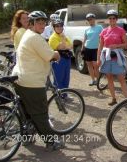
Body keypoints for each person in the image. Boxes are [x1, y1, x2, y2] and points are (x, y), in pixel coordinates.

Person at [15, 10, 64, 150]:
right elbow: (49, 55)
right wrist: (56, 54)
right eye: (39, 22)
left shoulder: (27, 35)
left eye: (44, 22)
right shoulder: (35, 38)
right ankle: (51, 142)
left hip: (20, 79)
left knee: (27, 113)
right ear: (31, 24)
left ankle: (27, 138)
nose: (42, 25)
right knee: (40, 113)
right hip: (32, 83)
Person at [97, 9, 127, 106]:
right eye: (110, 18)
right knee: (109, 78)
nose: (112, 20)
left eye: (114, 18)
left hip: (117, 59)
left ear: (116, 19)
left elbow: (126, 45)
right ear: (108, 19)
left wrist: (116, 46)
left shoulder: (121, 30)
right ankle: (113, 99)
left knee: (121, 79)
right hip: (106, 58)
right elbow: (100, 46)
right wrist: (98, 59)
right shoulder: (104, 31)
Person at [48, 19, 73, 91]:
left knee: (66, 78)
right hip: (58, 60)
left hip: (67, 59)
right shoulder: (53, 37)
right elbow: (61, 47)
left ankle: (64, 94)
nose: (59, 27)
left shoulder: (64, 36)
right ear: (54, 27)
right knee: (58, 78)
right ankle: (58, 97)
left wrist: (65, 44)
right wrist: (63, 40)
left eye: (61, 26)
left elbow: (71, 46)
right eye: (57, 26)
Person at [82, 13, 103, 86]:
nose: (90, 21)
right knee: (89, 65)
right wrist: (82, 48)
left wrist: (103, 47)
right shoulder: (87, 29)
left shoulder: (99, 27)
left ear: (94, 19)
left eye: (91, 19)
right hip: (88, 49)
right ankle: (93, 80)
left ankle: (98, 81)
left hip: (96, 49)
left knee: (95, 65)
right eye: (89, 20)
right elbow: (84, 39)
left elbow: (102, 38)